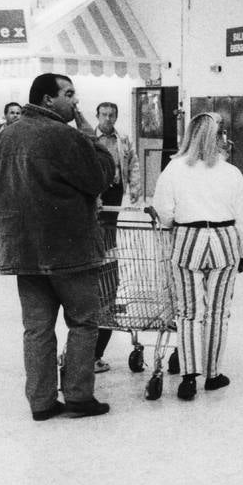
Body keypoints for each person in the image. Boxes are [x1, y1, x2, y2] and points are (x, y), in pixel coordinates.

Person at [0, 73, 114, 420]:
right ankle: (78, 396)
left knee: (37, 328)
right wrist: (91, 137)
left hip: (22, 250)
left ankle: (41, 402)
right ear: (46, 99)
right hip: (69, 250)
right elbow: (101, 177)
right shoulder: (66, 136)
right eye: (68, 94)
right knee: (84, 322)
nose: (75, 100)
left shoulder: (2, 137)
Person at [150, 113, 243, 400]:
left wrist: (177, 223)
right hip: (224, 241)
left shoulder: (173, 169)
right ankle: (213, 375)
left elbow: (165, 213)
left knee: (188, 312)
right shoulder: (231, 172)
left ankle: (188, 378)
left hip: (187, 240)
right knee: (218, 312)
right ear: (218, 138)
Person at [91, 101, 142, 373]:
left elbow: (132, 164)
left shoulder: (122, 139)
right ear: (97, 116)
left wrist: (135, 190)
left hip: (115, 191)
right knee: (98, 225)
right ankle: (100, 250)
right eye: (104, 114)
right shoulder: (90, 139)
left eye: (112, 114)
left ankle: (107, 247)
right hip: (96, 191)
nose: (108, 118)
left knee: (110, 226)